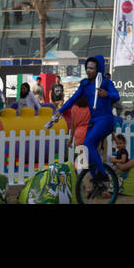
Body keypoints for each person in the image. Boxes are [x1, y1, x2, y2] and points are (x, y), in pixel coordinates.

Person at [45, 55, 119, 185]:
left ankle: (102, 174)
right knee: (86, 149)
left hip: (106, 119)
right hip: (94, 120)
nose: (89, 70)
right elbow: (73, 99)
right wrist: (60, 111)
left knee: (89, 145)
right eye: (87, 68)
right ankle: (96, 178)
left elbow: (116, 96)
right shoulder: (84, 85)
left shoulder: (106, 82)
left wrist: (106, 94)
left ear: (97, 69)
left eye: (92, 68)